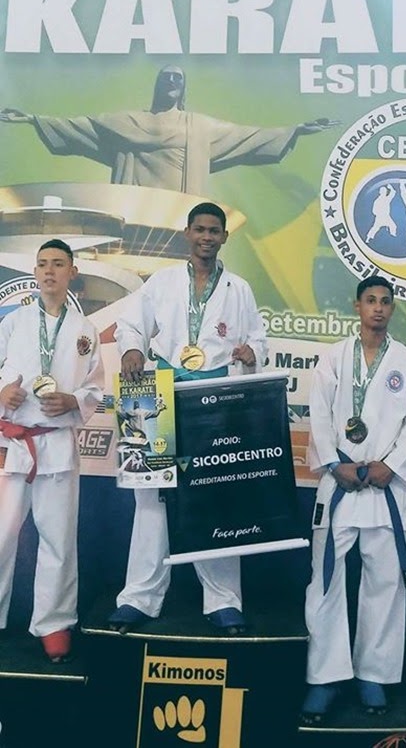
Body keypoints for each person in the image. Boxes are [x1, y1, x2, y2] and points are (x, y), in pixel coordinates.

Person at [108, 201, 268, 636]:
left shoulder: (239, 289)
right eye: (199, 229)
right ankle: (138, 597)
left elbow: (258, 339)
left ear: (224, 237)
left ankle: (223, 600)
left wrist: (251, 352)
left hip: (214, 396)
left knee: (216, 497)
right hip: (155, 392)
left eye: (214, 231)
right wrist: (132, 350)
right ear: (187, 233)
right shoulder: (161, 281)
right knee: (151, 499)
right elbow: (129, 325)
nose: (206, 237)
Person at [301, 276, 406, 723]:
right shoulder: (334, 357)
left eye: (385, 302)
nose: (377, 307)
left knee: (386, 583)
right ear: (357, 306)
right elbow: (319, 413)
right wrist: (334, 464)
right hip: (340, 482)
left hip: (386, 487)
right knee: (325, 581)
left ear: (393, 309)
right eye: (370, 300)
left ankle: (373, 674)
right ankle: (324, 677)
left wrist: (390, 466)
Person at [0, 239, 104, 662]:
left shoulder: (85, 330)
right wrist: (1, 392)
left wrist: (73, 400)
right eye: (42, 264)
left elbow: (95, 387)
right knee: (1, 535)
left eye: (58, 264)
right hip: (12, 442)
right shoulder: (13, 322)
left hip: (56, 442)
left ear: (72, 272)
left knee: (58, 538)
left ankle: (54, 623)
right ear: (35, 271)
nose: (49, 271)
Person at [0, 65, 338, 193]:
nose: (172, 81)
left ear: (183, 88)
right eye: (167, 77)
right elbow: (82, 127)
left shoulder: (199, 127)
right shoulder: (125, 122)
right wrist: (32, 119)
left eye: (178, 78)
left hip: (179, 215)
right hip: (133, 214)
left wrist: (295, 129)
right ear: (158, 85)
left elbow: (246, 136)